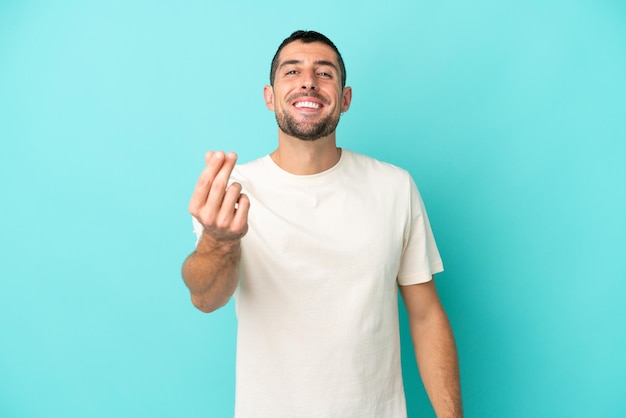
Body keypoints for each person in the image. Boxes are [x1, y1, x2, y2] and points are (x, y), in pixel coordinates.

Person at [182, 30, 462, 418]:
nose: (308, 81)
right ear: (270, 96)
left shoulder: (394, 186)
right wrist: (219, 241)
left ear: (345, 99)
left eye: (325, 73)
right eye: (292, 71)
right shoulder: (233, 192)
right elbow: (205, 299)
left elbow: (426, 314)